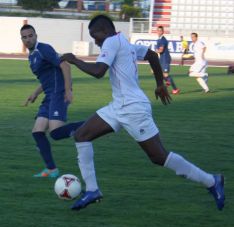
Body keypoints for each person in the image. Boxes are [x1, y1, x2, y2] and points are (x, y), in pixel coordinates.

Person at [61, 15, 225, 211]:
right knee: (82, 135)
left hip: (132, 108)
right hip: (119, 105)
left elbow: (98, 71)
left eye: (94, 36)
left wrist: (74, 60)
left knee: (158, 156)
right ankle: (92, 190)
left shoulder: (111, 42)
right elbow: (152, 55)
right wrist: (159, 84)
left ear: (104, 31)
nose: (94, 41)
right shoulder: (123, 41)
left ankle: (211, 181)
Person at [20, 24, 84, 177]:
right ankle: (51, 169)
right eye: (24, 37)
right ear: (21, 39)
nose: (28, 39)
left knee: (55, 133)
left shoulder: (44, 49)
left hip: (59, 93)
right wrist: (35, 93)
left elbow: (65, 66)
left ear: (36, 36)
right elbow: (48, 77)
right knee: (37, 132)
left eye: (30, 36)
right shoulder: (32, 55)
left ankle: (93, 123)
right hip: (49, 95)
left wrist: (68, 90)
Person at [156, 26, 180, 95]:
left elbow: (161, 50)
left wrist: (155, 51)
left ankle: (175, 89)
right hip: (162, 59)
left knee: (165, 75)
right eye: (158, 30)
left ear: (163, 31)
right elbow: (159, 50)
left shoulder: (163, 40)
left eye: (160, 30)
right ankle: (168, 82)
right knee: (160, 74)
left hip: (165, 59)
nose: (159, 32)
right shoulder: (158, 40)